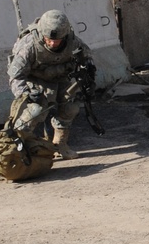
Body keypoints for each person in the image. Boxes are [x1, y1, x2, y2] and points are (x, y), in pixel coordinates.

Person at [7, 9, 94, 159]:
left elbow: (87, 58)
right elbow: (15, 76)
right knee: (35, 111)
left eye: (57, 39)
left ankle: (59, 145)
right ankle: (18, 146)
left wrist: (87, 75)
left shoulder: (72, 42)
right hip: (35, 82)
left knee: (70, 108)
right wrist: (24, 93)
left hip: (61, 80)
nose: (53, 43)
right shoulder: (29, 45)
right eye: (49, 39)